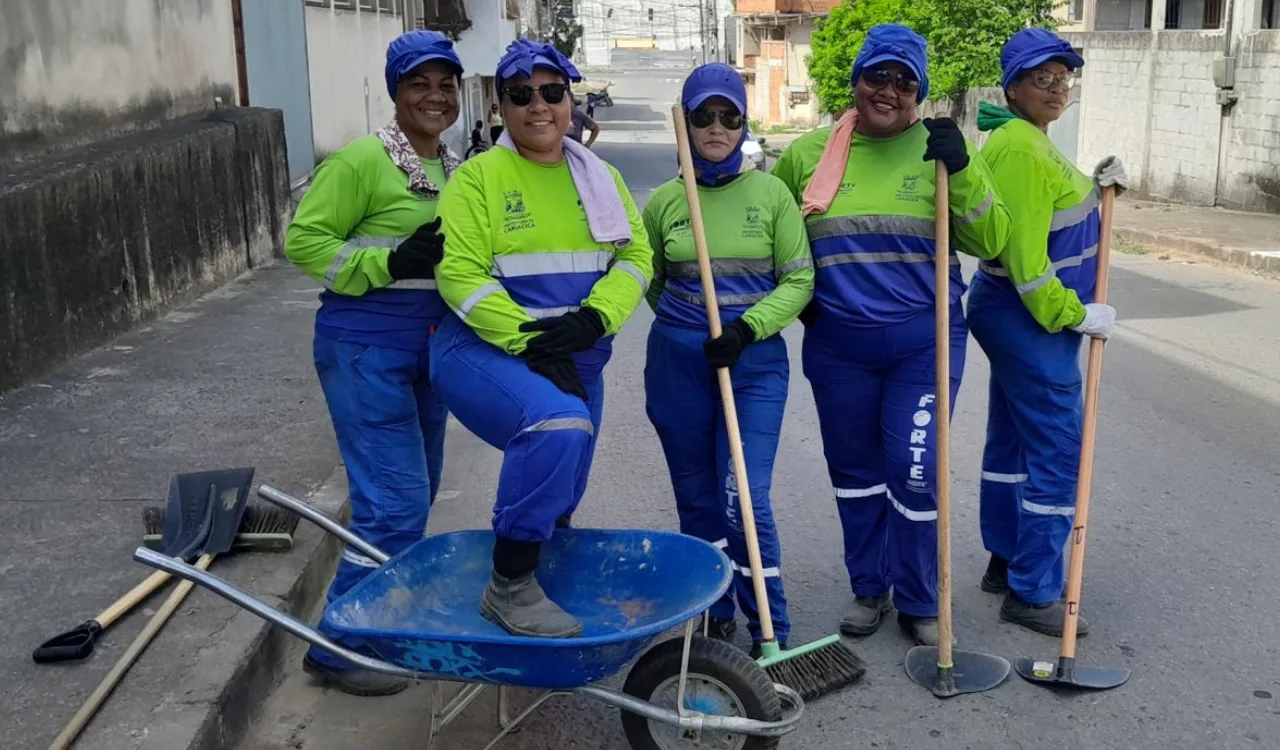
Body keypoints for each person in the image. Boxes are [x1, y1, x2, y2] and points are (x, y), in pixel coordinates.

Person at [771, 23, 1011, 647]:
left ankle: (919, 597)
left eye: (906, 81)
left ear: (919, 92)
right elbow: (780, 249)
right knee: (854, 473)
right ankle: (868, 587)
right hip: (838, 347)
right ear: (855, 80)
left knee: (914, 471)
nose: (890, 89)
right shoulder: (807, 155)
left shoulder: (940, 151)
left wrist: (961, 171)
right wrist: (803, 312)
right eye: (878, 74)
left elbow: (991, 241)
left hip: (921, 343)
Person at [431, 39, 653, 638]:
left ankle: (540, 578)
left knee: (563, 485)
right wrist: (530, 341)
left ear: (569, 100)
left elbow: (635, 258)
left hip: (577, 353)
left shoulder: (598, 176)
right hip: (479, 348)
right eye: (521, 94)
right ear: (501, 105)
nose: (538, 106)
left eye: (552, 92)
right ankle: (509, 586)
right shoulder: (479, 178)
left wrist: (594, 320)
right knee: (557, 428)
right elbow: (460, 275)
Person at [282, 29, 464, 695]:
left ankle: (384, 625)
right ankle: (337, 645)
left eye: (446, 84)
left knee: (410, 501)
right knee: (395, 505)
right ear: (396, 92)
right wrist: (388, 261)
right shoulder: (362, 161)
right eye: (419, 82)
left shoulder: (453, 167)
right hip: (364, 351)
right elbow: (303, 241)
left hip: (430, 353)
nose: (435, 96)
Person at [642, 63, 814, 657]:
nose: (716, 127)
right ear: (685, 123)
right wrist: (688, 325)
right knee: (696, 498)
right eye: (703, 116)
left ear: (743, 122)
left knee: (744, 496)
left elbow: (799, 281)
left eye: (729, 116)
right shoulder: (665, 202)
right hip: (677, 366)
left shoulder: (772, 195)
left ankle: (773, 626)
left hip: (753, 365)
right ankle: (714, 612)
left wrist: (746, 330)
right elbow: (651, 281)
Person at [967, 28, 1125, 637]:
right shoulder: (1021, 150)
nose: (1057, 86)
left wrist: (1099, 186)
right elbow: (1030, 268)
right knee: (1059, 452)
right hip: (1029, 317)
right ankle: (1032, 590)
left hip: (1013, 315)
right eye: (1042, 77)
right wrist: (1077, 315)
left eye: (1063, 76)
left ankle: (1005, 560)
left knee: (1011, 444)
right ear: (1012, 87)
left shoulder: (1028, 140)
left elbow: (1056, 214)